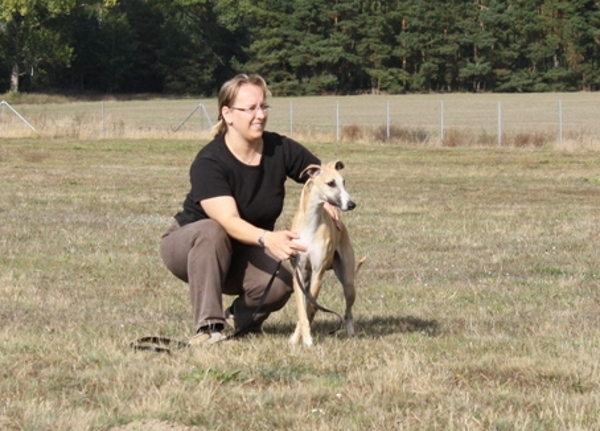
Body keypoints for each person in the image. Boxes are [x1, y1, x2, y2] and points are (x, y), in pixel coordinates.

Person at [159, 74, 338, 345]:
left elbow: (321, 175)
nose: (260, 115)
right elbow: (228, 221)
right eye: (251, 108)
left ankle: (240, 318)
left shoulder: (280, 148)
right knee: (213, 229)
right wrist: (268, 238)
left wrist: (328, 201)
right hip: (190, 246)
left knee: (280, 284)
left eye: (263, 106)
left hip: (242, 250)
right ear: (227, 114)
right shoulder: (210, 161)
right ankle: (209, 328)